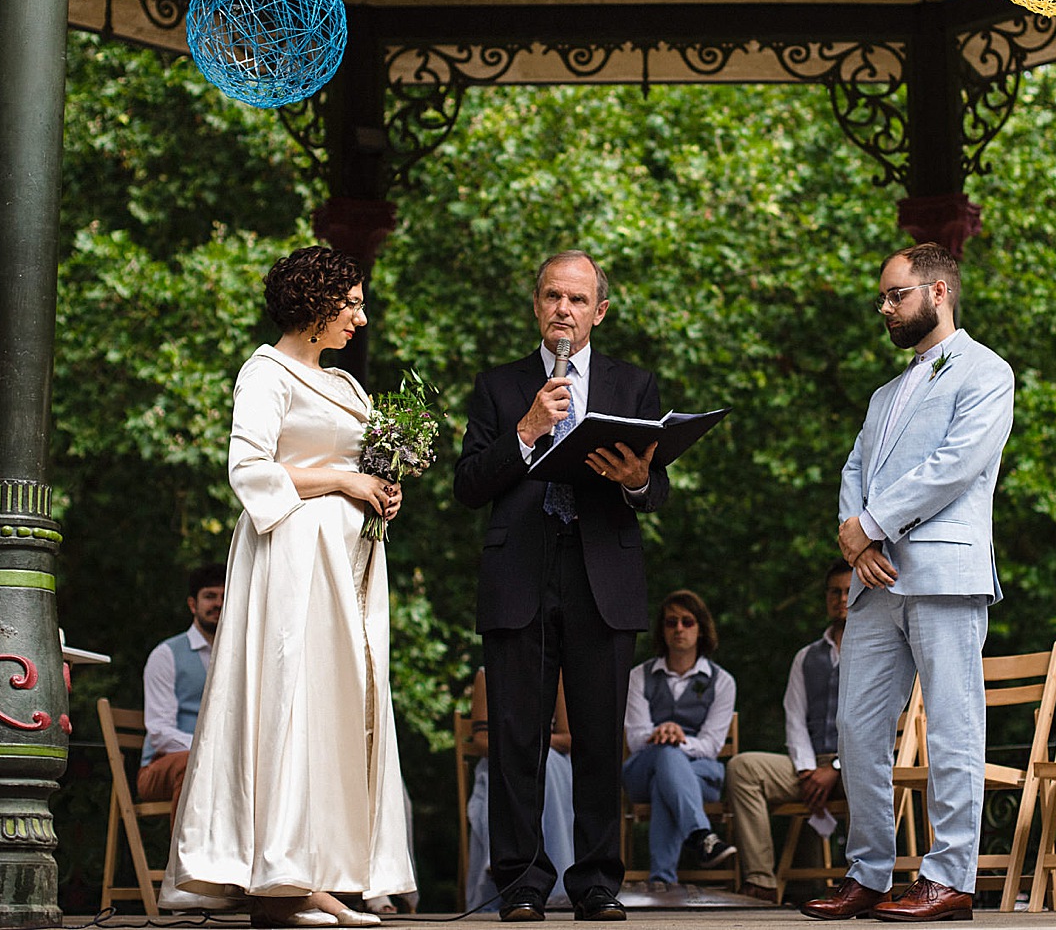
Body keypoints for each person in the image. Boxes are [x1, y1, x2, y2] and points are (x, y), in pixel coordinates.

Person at [163, 246, 414, 928]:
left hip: (346, 570)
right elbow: (249, 470)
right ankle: (276, 880)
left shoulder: (348, 386)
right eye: (352, 303)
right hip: (290, 562)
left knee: (335, 711)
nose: (361, 317)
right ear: (315, 304)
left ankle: (317, 877)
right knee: (291, 703)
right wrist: (341, 480)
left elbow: (360, 463)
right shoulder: (265, 372)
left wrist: (381, 491)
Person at [454, 249, 670, 923]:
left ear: (599, 311)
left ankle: (597, 880)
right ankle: (520, 881)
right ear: (537, 304)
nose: (563, 310)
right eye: (553, 296)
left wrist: (635, 478)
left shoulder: (634, 385)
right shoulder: (499, 385)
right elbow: (467, 484)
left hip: (601, 573)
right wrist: (526, 429)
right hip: (519, 570)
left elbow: (655, 488)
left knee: (601, 736)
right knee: (517, 734)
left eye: (577, 300)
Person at [802, 242, 1014, 923]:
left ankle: (949, 876)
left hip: (945, 571)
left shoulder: (987, 372)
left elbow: (955, 466)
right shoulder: (885, 393)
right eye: (884, 297)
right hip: (875, 580)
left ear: (939, 292)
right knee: (858, 726)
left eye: (897, 294)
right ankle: (866, 872)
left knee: (954, 724)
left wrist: (871, 523)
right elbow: (854, 467)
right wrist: (852, 531)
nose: (886, 307)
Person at [725, 559, 851, 902]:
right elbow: (794, 717)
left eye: (849, 591)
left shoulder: (879, 651)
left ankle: (862, 878)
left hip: (857, 765)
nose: (841, 598)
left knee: (865, 773)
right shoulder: (806, 657)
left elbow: (883, 724)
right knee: (743, 768)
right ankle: (761, 880)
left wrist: (836, 767)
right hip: (808, 765)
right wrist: (809, 769)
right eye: (834, 592)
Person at [621, 589, 737, 884]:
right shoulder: (638, 676)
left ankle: (662, 880)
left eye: (687, 622)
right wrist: (662, 735)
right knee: (666, 758)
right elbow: (635, 738)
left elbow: (711, 745)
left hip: (702, 775)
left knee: (668, 776)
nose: (679, 629)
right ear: (662, 630)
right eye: (671, 622)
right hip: (642, 772)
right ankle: (701, 835)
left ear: (701, 629)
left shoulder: (722, 682)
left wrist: (678, 740)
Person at [464, 669, 575, 911]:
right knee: (508, 770)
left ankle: (555, 884)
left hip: (550, 761)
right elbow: (481, 740)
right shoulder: (486, 675)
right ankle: (504, 866)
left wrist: (531, 745)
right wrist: (516, 748)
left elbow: (567, 739)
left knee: (546, 764)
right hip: (502, 759)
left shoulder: (556, 677)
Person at [137, 563, 225, 809]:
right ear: (192, 604)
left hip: (221, 762)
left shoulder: (238, 658)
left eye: (224, 597)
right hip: (161, 766)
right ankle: (185, 849)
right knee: (193, 765)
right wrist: (207, 749)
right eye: (210, 596)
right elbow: (159, 731)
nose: (218, 604)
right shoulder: (166, 655)